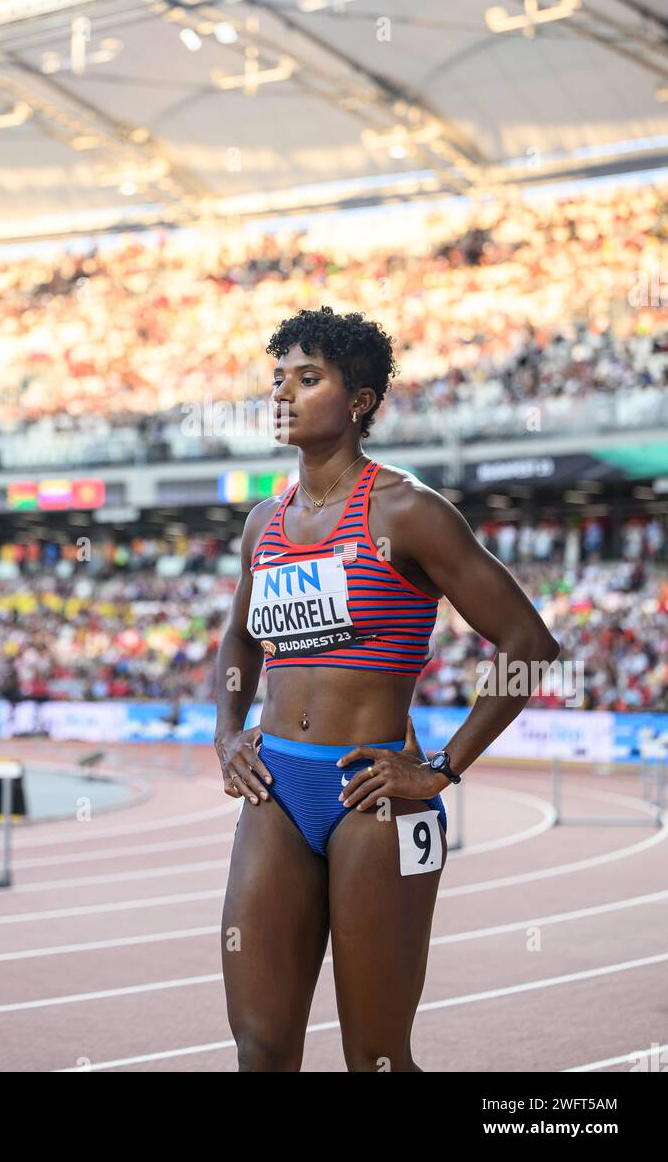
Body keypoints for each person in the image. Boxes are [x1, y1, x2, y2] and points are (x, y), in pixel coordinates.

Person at [214, 305, 560, 1072]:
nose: (283, 395)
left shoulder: (408, 510)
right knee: (260, 1050)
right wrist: (226, 731)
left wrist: (443, 765)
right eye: (278, 379)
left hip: (374, 798)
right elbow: (238, 639)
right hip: (275, 790)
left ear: (360, 399)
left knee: (374, 1056)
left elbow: (530, 644)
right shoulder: (263, 523)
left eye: (308, 379)